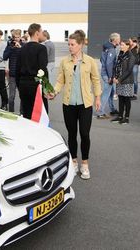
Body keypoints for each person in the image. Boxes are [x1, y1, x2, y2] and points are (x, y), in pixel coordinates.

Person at [51, 30, 101, 180]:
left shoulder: (90, 61)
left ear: (80, 45)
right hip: (68, 104)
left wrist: (97, 98)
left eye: (72, 44)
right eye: (69, 44)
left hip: (85, 104)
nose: (70, 47)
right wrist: (54, 92)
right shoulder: (65, 61)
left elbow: (96, 80)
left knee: (85, 134)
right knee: (71, 134)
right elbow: (60, 80)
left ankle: (84, 163)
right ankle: (73, 161)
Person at [17, 23, 48, 119]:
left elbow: (17, 69)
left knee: (27, 114)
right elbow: (43, 69)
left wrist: (19, 85)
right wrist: (47, 88)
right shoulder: (41, 48)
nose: (42, 34)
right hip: (36, 85)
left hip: (23, 85)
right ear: (37, 33)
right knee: (40, 115)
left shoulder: (22, 49)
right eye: (41, 31)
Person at [110, 39, 137, 124]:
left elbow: (129, 70)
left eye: (122, 45)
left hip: (127, 81)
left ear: (128, 46)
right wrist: (114, 77)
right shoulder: (120, 55)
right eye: (120, 45)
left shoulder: (131, 56)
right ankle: (120, 116)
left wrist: (119, 79)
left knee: (127, 100)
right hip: (119, 81)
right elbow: (116, 67)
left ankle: (127, 118)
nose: (120, 46)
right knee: (121, 99)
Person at [96, 33, 121, 119]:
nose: (120, 40)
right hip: (108, 75)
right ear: (115, 40)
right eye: (119, 39)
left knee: (110, 92)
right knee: (106, 94)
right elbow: (109, 63)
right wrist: (110, 76)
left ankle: (112, 109)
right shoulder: (111, 49)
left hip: (105, 73)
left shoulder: (106, 47)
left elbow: (101, 59)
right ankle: (100, 112)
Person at [3, 29, 22, 113]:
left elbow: (26, 57)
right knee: (11, 96)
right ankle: (11, 112)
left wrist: (20, 47)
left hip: (21, 74)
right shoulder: (10, 45)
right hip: (12, 74)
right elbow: (4, 57)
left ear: (20, 37)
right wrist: (11, 48)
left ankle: (22, 113)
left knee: (22, 96)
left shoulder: (24, 45)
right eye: (15, 37)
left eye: (18, 37)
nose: (17, 39)